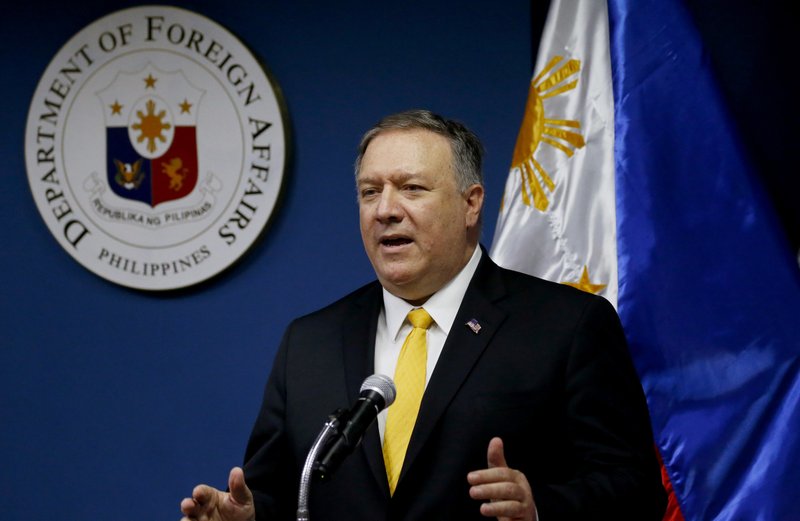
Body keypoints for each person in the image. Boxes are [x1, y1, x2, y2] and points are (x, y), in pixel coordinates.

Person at [180, 110, 666, 521]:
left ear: (471, 203)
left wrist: (542, 506)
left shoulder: (568, 325)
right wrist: (248, 516)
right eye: (370, 192)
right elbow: (282, 492)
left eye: (411, 188)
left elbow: (634, 489)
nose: (385, 210)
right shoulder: (309, 343)